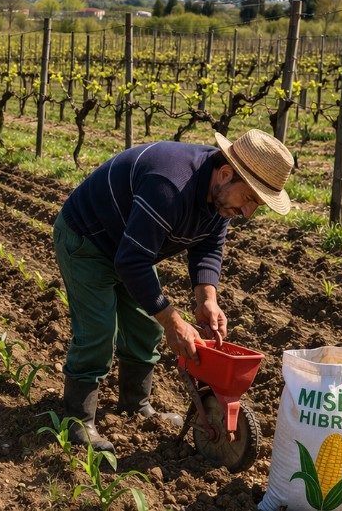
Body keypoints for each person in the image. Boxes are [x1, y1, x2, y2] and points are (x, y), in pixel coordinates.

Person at [53, 129, 294, 453]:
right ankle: (78, 421)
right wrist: (172, 320)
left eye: (256, 205)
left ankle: (135, 405)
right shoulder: (171, 185)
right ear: (225, 174)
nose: (248, 213)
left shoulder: (219, 194)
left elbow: (209, 243)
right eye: (249, 199)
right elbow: (132, 261)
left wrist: (206, 299)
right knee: (98, 331)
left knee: (145, 325)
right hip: (87, 240)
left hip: (130, 247)